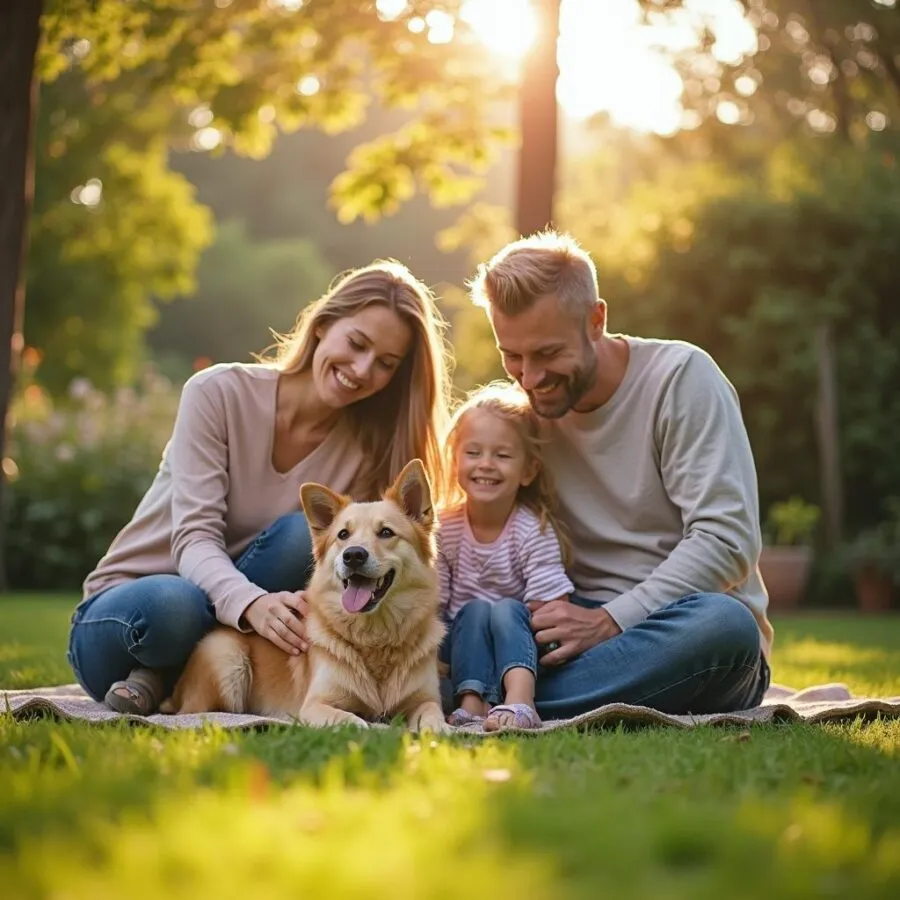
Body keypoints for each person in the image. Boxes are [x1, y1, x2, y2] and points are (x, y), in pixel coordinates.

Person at [68, 261, 452, 715]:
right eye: (356, 343)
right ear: (323, 325)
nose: (362, 369)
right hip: (134, 619)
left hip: (237, 646)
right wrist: (251, 604)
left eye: (385, 364)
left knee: (300, 540)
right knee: (179, 604)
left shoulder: (367, 451)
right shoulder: (217, 393)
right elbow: (192, 539)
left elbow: (383, 554)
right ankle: (157, 673)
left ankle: (180, 682)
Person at [467, 230, 773, 720]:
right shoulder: (524, 412)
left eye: (547, 354)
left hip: (672, 628)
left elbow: (727, 539)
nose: (529, 378)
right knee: (486, 615)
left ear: (595, 320)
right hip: (567, 624)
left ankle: (482, 696)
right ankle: (504, 693)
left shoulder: (681, 379)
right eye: (512, 356)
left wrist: (611, 620)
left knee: (726, 626)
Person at [436, 382, 574, 732]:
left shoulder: (531, 530)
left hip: (517, 642)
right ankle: (470, 702)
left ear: (528, 470)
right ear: (455, 461)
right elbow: (432, 604)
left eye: (502, 455)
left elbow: (549, 610)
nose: (486, 465)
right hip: (461, 644)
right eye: (473, 452)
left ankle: (520, 701)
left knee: (505, 609)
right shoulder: (445, 527)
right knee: (475, 610)